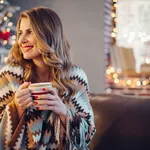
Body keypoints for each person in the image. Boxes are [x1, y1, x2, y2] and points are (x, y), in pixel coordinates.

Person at [0, 7, 96, 150]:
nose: (21, 40)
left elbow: (87, 135)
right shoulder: (9, 75)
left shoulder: (75, 77)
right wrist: (16, 108)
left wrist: (63, 111)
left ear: (48, 34)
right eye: (20, 33)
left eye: (30, 32)